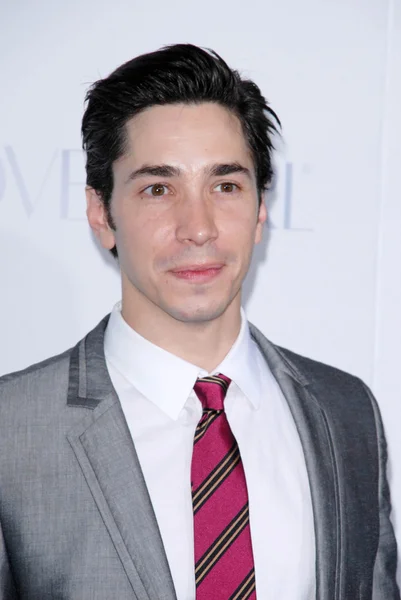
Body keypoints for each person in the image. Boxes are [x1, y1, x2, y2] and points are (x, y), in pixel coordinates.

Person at [0, 44, 398, 600]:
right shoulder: (11, 433)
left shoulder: (346, 412)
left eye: (226, 186)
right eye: (158, 189)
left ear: (260, 209)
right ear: (101, 212)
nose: (198, 227)